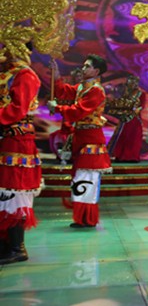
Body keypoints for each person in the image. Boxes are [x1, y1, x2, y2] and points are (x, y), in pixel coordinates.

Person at [49, 55, 112, 229]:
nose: (83, 69)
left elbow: (79, 111)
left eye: (87, 66)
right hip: (81, 137)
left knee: (86, 179)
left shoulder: (96, 90)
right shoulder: (82, 87)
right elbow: (64, 92)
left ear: (96, 71)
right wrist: (56, 75)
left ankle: (87, 218)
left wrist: (57, 108)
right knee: (80, 177)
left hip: (91, 139)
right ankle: (82, 217)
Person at [0, 47, 43, 265]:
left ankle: (18, 248)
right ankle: (6, 244)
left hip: (17, 140)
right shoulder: (6, 73)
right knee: (3, 192)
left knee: (14, 191)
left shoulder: (25, 75)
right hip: (5, 138)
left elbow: (17, 108)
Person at [109, 75, 144, 162]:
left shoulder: (140, 94)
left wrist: (134, 110)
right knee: (123, 137)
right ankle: (120, 155)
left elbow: (140, 107)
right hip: (124, 118)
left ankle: (131, 157)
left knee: (133, 138)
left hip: (134, 119)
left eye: (134, 82)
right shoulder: (126, 93)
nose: (132, 84)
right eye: (130, 82)